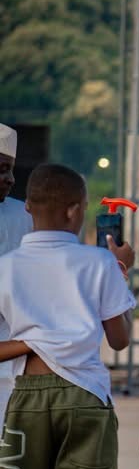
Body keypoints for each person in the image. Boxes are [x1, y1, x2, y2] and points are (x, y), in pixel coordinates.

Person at [0, 163, 135, 469]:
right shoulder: (99, 263)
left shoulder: (6, 267)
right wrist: (120, 268)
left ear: (28, 208)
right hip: (86, 401)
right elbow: (119, 339)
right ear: (76, 211)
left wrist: (33, 341)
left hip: (25, 402)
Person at [0, 123, 33, 431]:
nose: (10, 179)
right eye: (1, 170)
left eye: (10, 169)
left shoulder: (24, 215)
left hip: (14, 358)